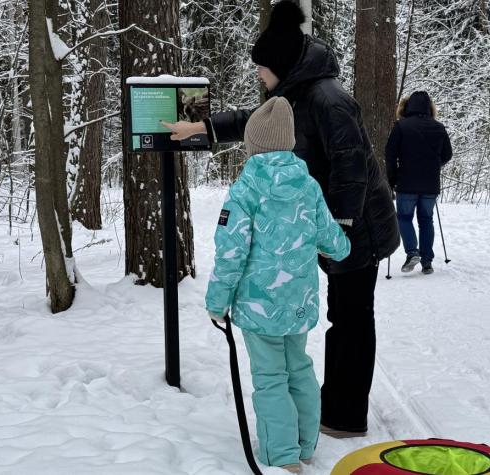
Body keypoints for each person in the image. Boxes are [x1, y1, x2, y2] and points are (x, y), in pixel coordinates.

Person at [166, 0, 399, 440]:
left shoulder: (330, 100)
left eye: (261, 67)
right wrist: (202, 128)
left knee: (350, 319)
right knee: (343, 317)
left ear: (282, 65)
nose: (257, 73)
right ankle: (330, 406)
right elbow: (252, 123)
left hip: (360, 227)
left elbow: (352, 167)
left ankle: (345, 416)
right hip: (333, 221)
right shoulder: (294, 94)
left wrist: (339, 228)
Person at [204, 96, 350, 473]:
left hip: (258, 307)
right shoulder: (308, 186)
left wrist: (217, 301)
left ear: (253, 144)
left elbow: (230, 252)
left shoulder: (245, 190)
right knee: (298, 368)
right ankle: (304, 446)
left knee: (270, 378)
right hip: (297, 302)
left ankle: (282, 456)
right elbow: (334, 241)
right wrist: (342, 245)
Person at [384, 91, 452, 275]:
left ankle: (412, 252)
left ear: (406, 107)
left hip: (406, 182)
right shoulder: (439, 128)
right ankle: (427, 261)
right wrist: (433, 166)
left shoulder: (401, 127)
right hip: (430, 184)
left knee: (404, 218)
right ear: (430, 108)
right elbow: (447, 154)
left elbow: (390, 155)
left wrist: (392, 178)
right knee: (426, 219)